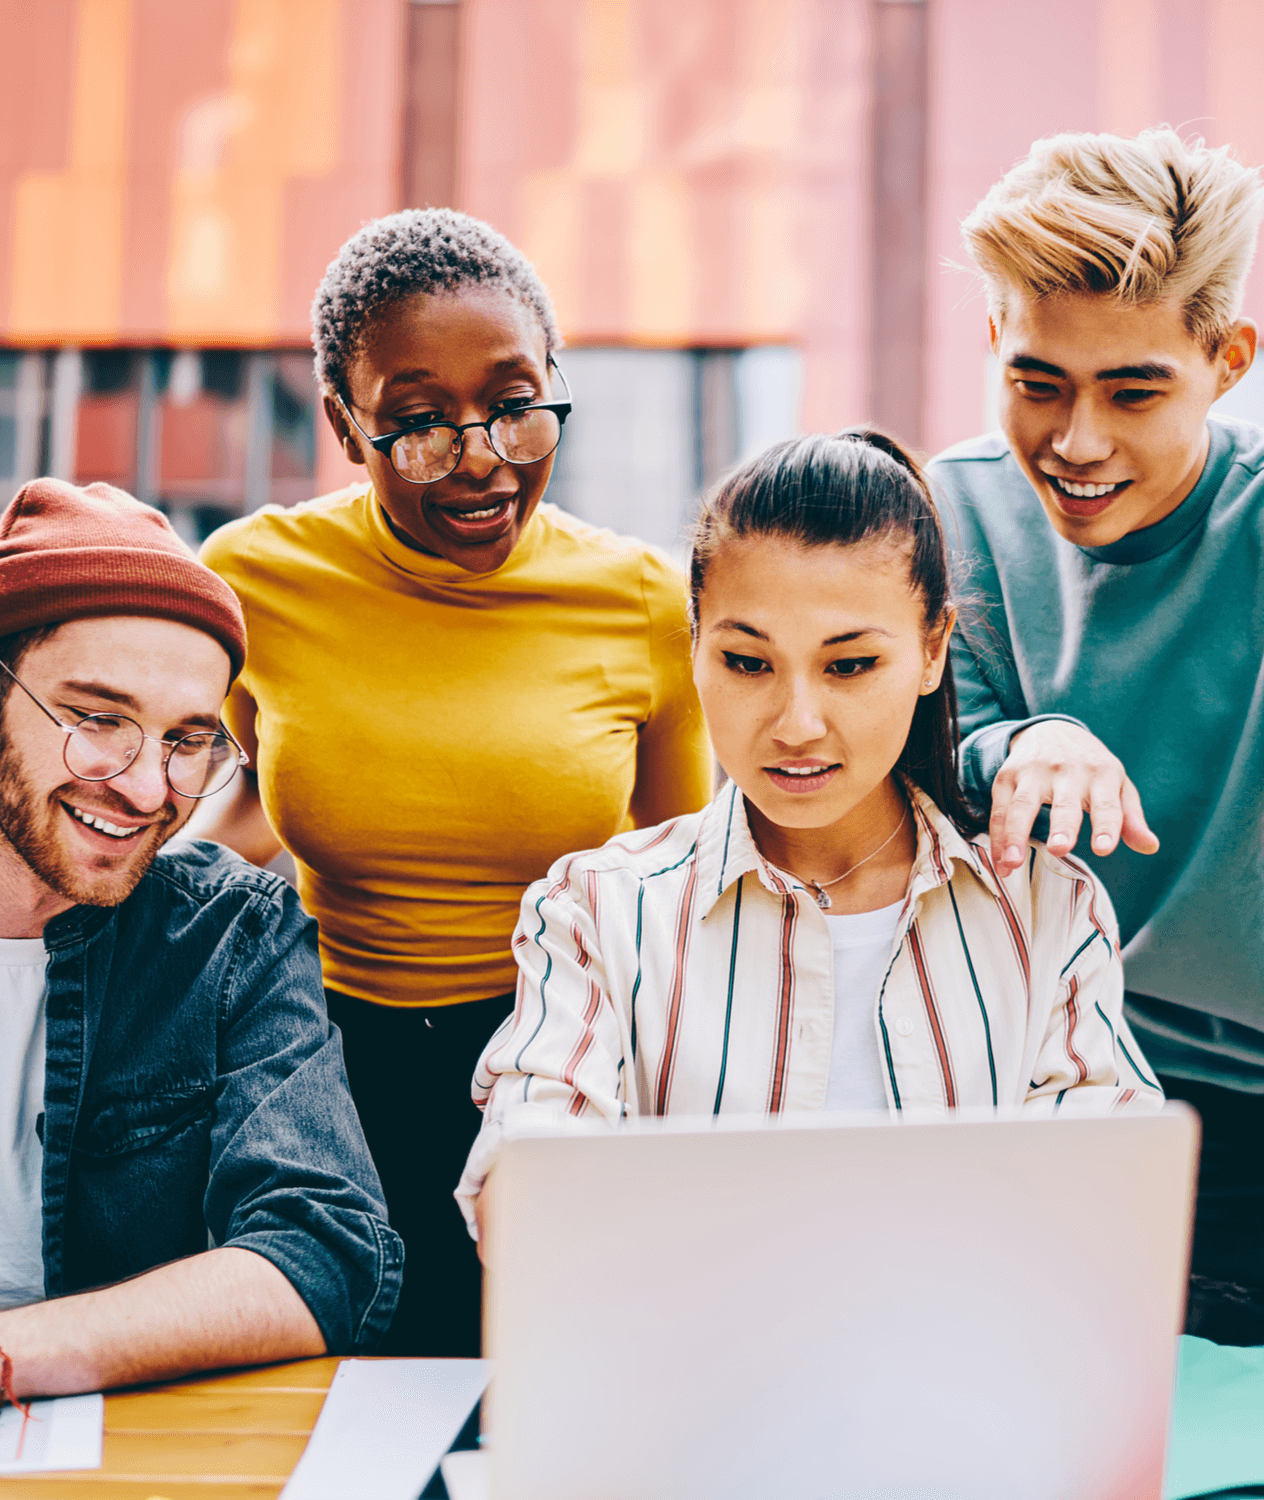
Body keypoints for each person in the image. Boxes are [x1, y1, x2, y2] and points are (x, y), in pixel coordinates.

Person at [200, 208, 712, 1356]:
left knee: (535, 1391)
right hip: (315, 1069)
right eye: (419, 424)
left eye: (516, 405)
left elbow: (683, 873)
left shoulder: (637, 601)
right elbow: (244, 801)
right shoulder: (250, 581)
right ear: (344, 422)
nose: (481, 457)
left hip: (553, 1064)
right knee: (344, 1391)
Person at [456, 430, 1161, 1239]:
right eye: (748, 664)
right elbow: (527, 1173)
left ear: (933, 652)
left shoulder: (1047, 909)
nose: (796, 725)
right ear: (694, 649)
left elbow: (1101, 1204)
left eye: (850, 665)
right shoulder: (594, 909)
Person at [927, 127, 1264, 1344]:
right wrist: (1016, 742)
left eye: (1132, 391)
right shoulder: (947, 508)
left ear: (1224, 361)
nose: (1075, 442)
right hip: (1051, 1101)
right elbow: (923, 755)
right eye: (1036, 383)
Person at [0, 479, 401, 1402]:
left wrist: (13, 1357)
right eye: (99, 719)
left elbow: (324, 1252)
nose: (148, 791)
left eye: (187, 740)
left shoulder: (232, 935)